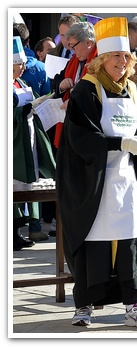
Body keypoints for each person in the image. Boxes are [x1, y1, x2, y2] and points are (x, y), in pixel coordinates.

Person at [56, 17, 137, 329]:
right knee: (93, 245)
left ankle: (134, 307)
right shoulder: (86, 91)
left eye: (126, 57)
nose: (123, 62)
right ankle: (84, 306)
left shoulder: (135, 91)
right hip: (93, 180)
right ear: (101, 59)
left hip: (125, 181)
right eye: (116, 56)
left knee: (128, 245)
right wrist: (119, 142)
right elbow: (79, 137)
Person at [13, 36, 56, 250]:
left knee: (25, 187)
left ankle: (19, 230)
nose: (22, 69)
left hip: (26, 139)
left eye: (21, 65)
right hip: (13, 145)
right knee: (13, 187)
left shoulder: (20, 83)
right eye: (18, 65)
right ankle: (11, 232)